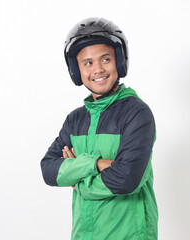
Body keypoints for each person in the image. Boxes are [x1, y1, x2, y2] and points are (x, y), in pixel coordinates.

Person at [41, 17, 158, 240]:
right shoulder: (75, 120)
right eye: (88, 63)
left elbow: (126, 179)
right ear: (77, 70)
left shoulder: (136, 113)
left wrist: (78, 180)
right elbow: (48, 169)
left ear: (120, 62)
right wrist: (96, 163)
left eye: (105, 59)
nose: (98, 69)